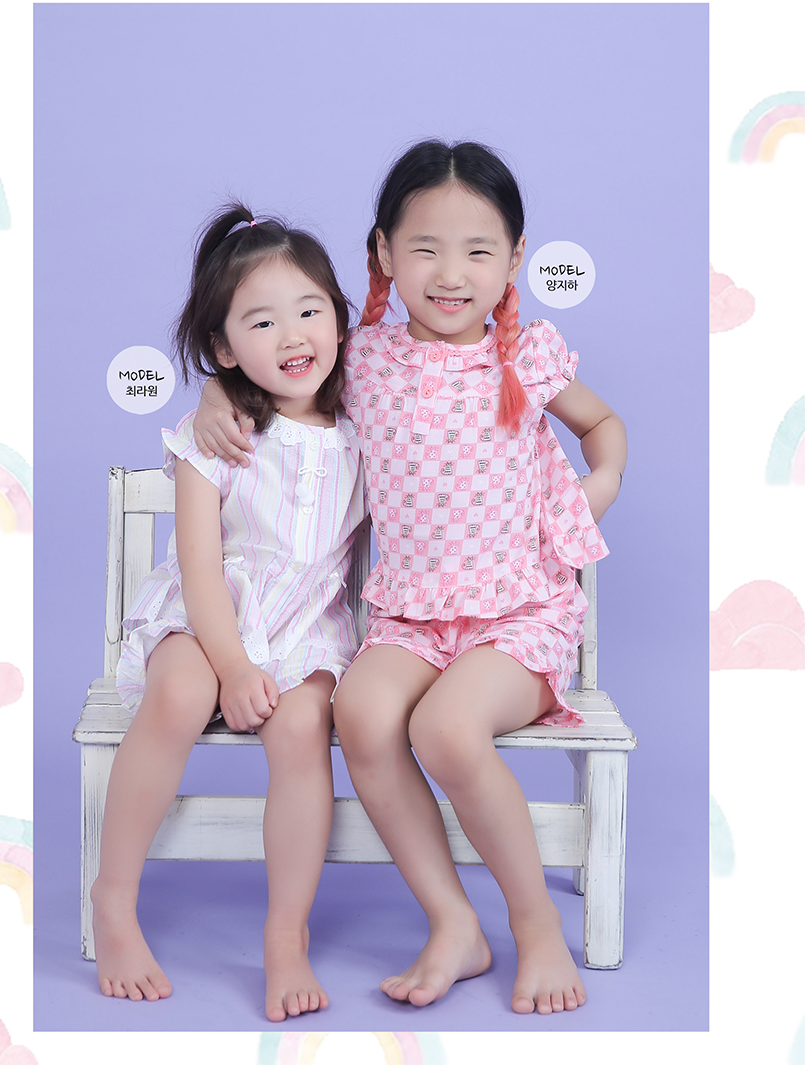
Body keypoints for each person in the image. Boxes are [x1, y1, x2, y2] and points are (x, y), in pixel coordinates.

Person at [193, 142, 627, 1016]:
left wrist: (600, 485)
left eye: (479, 250)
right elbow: (276, 375)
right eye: (425, 248)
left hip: (518, 615)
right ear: (384, 254)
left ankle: (535, 923)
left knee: (447, 729)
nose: (451, 274)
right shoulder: (363, 360)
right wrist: (214, 395)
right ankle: (454, 923)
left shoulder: (527, 358)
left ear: (515, 258)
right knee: (360, 712)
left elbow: (602, 425)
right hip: (411, 617)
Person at [92, 206, 365, 1021]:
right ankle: (114, 899)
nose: (294, 334)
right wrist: (235, 665)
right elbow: (202, 567)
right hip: (211, 611)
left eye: (311, 310)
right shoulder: (216, 433)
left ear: (340, 321)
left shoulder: (364, 424)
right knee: (179, 693)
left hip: (307, 625)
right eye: (263, 320)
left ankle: (286, 936)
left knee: (301, 728)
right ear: (224, 347)